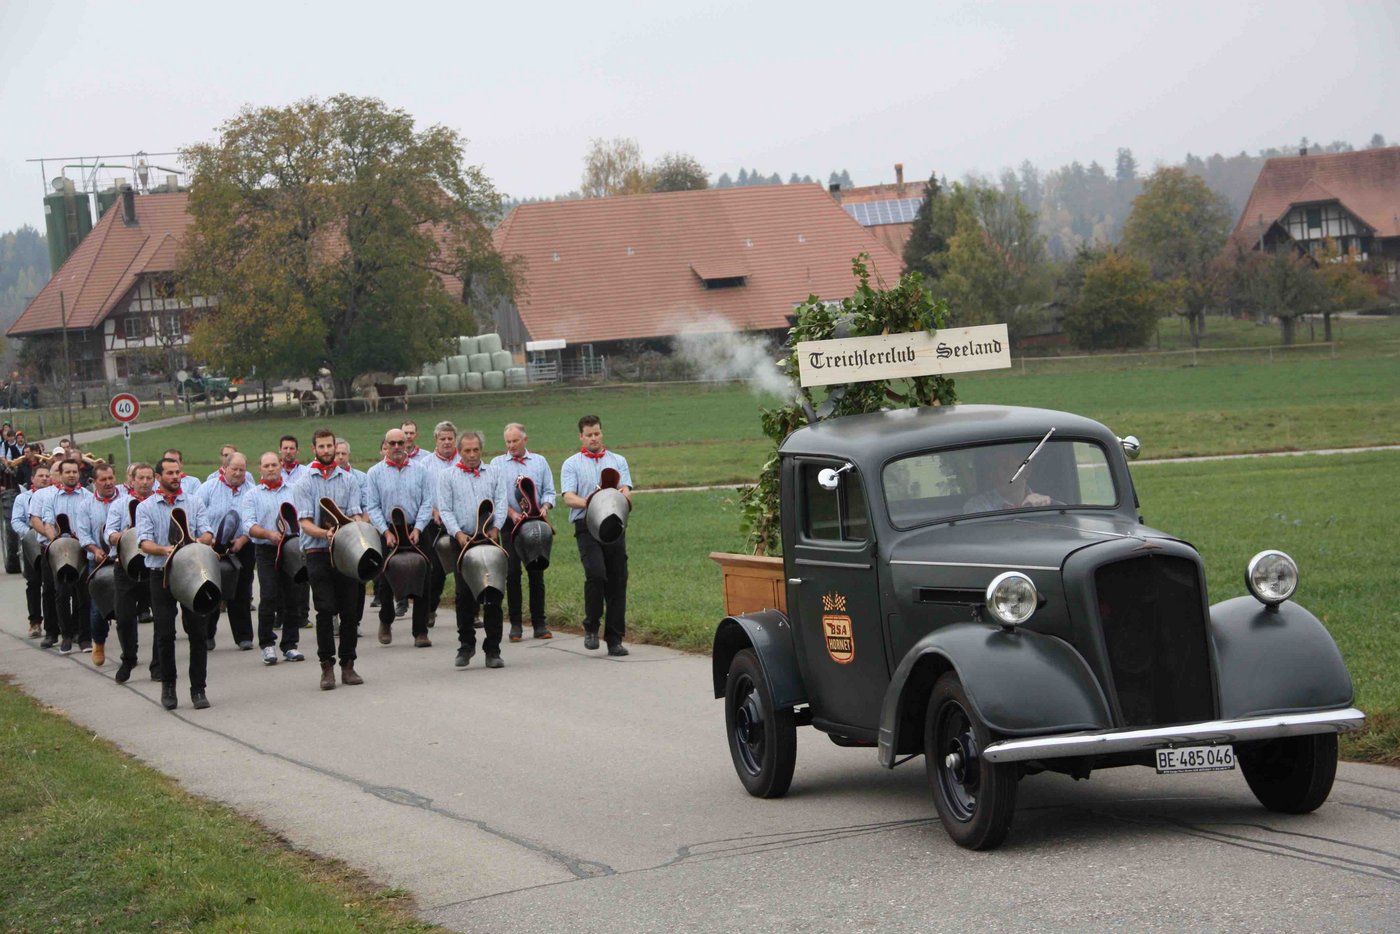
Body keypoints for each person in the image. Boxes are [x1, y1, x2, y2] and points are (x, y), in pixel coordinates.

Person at [136, 457, 216, 711]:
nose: (175, 477)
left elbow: (208, 533)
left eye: (177, 472)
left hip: (191, 572)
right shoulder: (146, 507)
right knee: (165, 632)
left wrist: (196, 542)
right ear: (159, 477)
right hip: (161, 573)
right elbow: (143, 542)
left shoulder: (193, 502)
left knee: (198, 632)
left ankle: (198, 689)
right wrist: (164, 549)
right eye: (169, 473)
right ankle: (168, 685)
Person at [295, 427, 366, 690]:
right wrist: (326, 534)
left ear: (336, 448)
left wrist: (357, 530)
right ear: (314, 449)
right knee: (325, 610)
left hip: (346, 553)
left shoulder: (349, 480)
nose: (326, 451)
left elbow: (356, 513)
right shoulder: (304, 481)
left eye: (330, 446)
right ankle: (327, 667)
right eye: (321, 446)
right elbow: (304, 522)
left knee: (350, 611)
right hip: (317, 552)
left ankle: (348, 665)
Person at [560, 415, 633, 657]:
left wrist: (618, 498)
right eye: (589, 434)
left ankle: (615, 639)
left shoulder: (618, 460)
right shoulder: (571, 463)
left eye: (597, 433)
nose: (594, 438)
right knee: (596, 574)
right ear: (581, 436)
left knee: (617, 579)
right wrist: (590, 502)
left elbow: (626, 491)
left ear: (602, 433)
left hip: (614, 525)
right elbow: (568, 497)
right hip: (586, 525)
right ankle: (591, 626)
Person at [437, 430, 506, 669]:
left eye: (476, 450)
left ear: (481, 450)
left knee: (494, 594)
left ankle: (493, 649)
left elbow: (502, 501)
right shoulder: (447, 477)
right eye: (466, 450)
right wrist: (457, 533)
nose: (472, 455)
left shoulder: (495, 473)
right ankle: (466, 644)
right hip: (463, 541)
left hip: (490, 538)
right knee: (464, 595)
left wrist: (496, 527)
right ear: (459, 451)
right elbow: (445, 509)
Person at [364, 427, 433, 648]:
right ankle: (386, 620)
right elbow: (372, 506)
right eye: (391, 443)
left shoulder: (421, 470)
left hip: (415, 529)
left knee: (423, 576)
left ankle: (420, 631)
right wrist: (385, 531)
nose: (396, 448)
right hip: (388, 530)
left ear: (407, 445)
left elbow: (427, 502)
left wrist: (419, 528)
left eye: (400, 443)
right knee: (385, 579)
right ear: (385, 445)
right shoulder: (374, 473)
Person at [490, 422, 556, 641]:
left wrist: (544, 507)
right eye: (508, 442)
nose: (511, 445)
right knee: (512, 574)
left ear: (525, 440)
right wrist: (510, 513)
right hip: (510, 524)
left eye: (515, 441)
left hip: (536, 522)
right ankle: (516, 624)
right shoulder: (497, 464)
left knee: (536, 573)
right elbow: (494, 495)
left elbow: (549, 491)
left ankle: (540, 623)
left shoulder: (539, 462)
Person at [241, 452, 305, 666]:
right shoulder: (252, 495)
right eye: (266, 465)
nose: (270, 469)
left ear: (280, 466)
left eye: (274, 465)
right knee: (268, 595)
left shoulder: (294, 490)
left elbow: (302, 518)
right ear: (260, 469)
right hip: (266, 550)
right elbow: (249, 525)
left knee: (292, 597)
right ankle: (267, 644)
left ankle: (290, 645)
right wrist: (268, 534)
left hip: (290, 548)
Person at [197, 452, 255, 651]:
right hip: (212, 547)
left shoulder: (252, 490)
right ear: (225, 467)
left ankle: (244, 636)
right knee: (212, 590)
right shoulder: (208, 488)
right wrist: (210, 539)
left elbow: (255, 518)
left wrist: (242, 540)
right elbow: (195, 515)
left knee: (241, 591)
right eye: (234, 469)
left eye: (242, 470)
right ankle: (207, 635)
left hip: (242, 546)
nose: (238, 473)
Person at [103, 462, 154, 684]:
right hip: (125, 567)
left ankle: (159, 665)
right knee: (124, 618)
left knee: (162, 618)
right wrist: (122, 536)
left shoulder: (158, 503)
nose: (144, 482)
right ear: (131, 481)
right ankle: (129, 658)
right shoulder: (119, 504)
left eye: (148, 478)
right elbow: (109, 533)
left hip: (154, 566)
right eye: (140, 478)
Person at [40, 458, 96, 654]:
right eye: (68, 472)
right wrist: (53, 539)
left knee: (83, 595)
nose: (71, 475)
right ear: (61, 475)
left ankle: (85, 637)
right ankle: (66, 636)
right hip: (61, 550)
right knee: (62, 594)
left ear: (79, 474)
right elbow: (47, 523)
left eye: (74, 472)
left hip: (81, 549)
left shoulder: (88, 497)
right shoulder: (51, 498)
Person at [414, 420, 459, 626]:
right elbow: (420, 495)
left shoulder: (464, 460)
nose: (447, 442)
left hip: (461, 522)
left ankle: (471, 612)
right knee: (437, 570)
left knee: (465, 566)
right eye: (443, 439)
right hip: (435, 523)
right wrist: (434, 511)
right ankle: (431, 609)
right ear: (436, 440)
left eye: (450, 438)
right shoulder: (424, 465)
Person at [81, 463, 120, 665]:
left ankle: (130, 650)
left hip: (122, 561)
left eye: (110, 478)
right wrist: (95, 550)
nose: (108, 483)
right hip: (97, 563)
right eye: (103, 479)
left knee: (125, 608)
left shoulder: (125, 500)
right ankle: (99, 643)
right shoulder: (86, 504)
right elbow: (83, 533)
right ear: (94, 482)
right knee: (98, 610)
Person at [12, 464, 52, 639]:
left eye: (47, 476)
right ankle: (35, 622)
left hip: (51, 544)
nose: (44, 478)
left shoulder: (54, 495)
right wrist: (29, 534)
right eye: (41, 475)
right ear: (32, 479)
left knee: (54, 585)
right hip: (31, 545)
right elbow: (16, 521)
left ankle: (57, 622)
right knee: (34, 583)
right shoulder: (23, 498)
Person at [278, 434, 311, 630]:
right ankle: (281, 613)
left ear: (297, 451)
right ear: (280, 451)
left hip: (301, 530)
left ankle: (303, 615)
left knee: (302, 572)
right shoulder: (274, 470)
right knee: (283, 573)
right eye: (285, 448)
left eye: (292, 448)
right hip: (281, 531)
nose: (288, 451)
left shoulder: (305, 473)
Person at [961, 445, 1055, 514]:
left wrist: (1045, 507)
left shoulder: (1045, 504)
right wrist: (1024, 509)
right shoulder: (977, 505)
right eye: (994, 468)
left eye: (1007, 468)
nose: (999, 474)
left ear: (1026, 471)